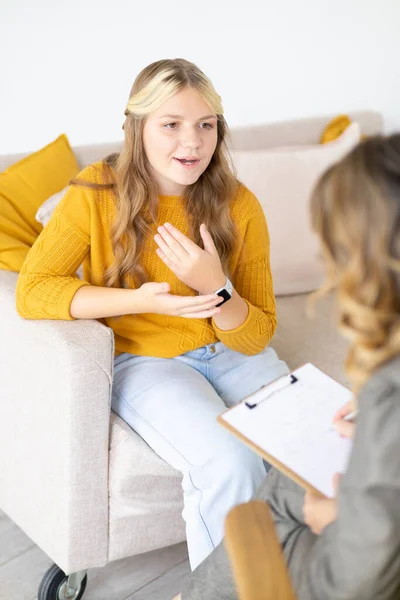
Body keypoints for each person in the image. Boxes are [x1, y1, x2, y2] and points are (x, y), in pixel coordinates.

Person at [16, 58, 289, 570]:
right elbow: (33, 291)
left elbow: (256, 337)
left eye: (206, 125)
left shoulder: (239, 204)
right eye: (172, 124)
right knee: (227, 460)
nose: (193, 142)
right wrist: (140, 301)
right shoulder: (95, 192)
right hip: (145, 363)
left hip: (227, 353)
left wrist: (219, 288)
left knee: (320, 440)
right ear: (138, 127)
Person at [179, 133, 400, 598]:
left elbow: (355, 582)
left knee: (275, 506)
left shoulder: (389, 392)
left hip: (350, 578)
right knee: (286, 478)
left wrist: (330, 516)